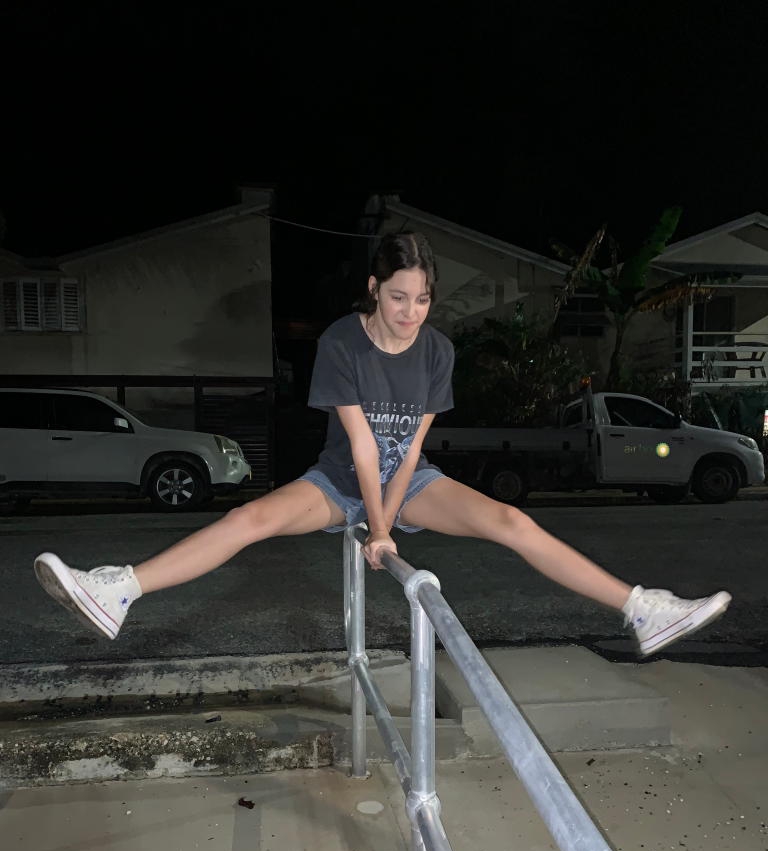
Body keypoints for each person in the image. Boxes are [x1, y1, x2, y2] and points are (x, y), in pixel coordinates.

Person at [34, 232, 731, 657]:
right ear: (374, 290)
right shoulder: (342, 342)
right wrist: (370, 524)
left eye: (422, 299)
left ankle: (643, 608)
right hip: (340, 478)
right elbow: (364, 447)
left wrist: (389, 523)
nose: (410, 313)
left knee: (514, 522)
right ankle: (118, 588)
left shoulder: (436, 352)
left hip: (414, 482)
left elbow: (413, 444)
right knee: (247, 520)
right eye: (398, 297)